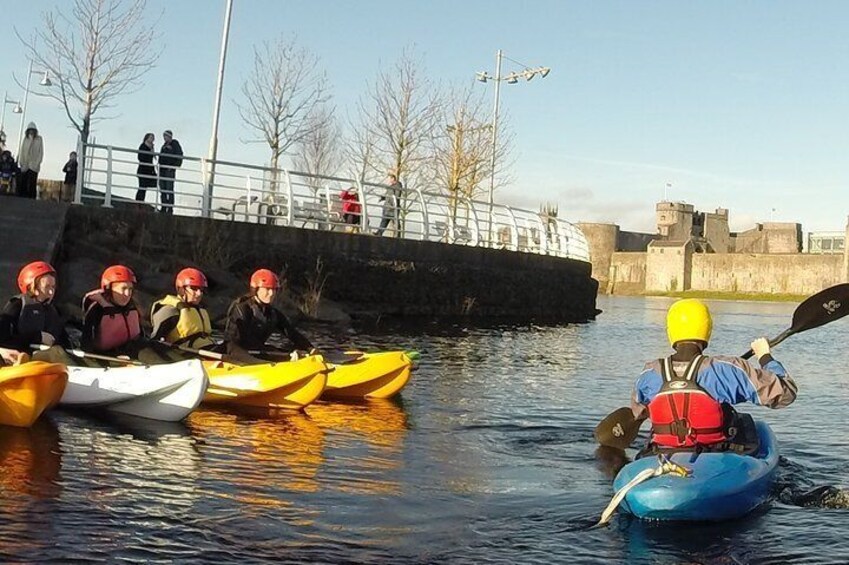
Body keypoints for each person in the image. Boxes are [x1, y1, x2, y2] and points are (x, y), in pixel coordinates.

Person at [631, 299, 797, 455]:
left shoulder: (648, 374)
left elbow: (638, 413)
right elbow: (785, 393)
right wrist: (764, 356)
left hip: (663, 452)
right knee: (747, 423)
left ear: (671, 331)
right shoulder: (727, 369)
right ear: (707, 329)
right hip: (715, 454)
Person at [82, 265, 182, 365]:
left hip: (132, 349)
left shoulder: (132, 306)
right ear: (109, 288)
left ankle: (181, 364)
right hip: (107, 356)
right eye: (123, 288)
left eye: (130, 289)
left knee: (153, 346)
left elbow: (140, 334)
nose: (128, 293)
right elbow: (87, 344)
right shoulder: (97, 309)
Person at [223, 268, 314, 364]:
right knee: (277, 356)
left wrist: (310, 349)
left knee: (288, 354)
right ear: (255, 289)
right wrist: (281, 355)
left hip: (256, 350)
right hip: (234, 351)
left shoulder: (272, 313)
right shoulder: (241, 308)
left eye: (274, 290)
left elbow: (292, 333)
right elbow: (244, 339)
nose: (271, 294)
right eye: (267, 289)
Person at [0, 261, 68, 353]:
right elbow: (4, 340)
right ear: (32, 287)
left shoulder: (52, 311)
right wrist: (37, 337)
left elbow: (64, 342)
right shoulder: (17, 305)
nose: (51, 292)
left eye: (53, 287)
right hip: (20, 359)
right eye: (46, 287)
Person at [150, 267, 214, 350]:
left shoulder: (201, 310)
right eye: (194, 288)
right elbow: (154, 341)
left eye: (201, 290)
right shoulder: (170, 310)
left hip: (208, 350)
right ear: (181, 289)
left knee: (230, 346)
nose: (199, 293)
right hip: (185, 354)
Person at [158, 130, 183, 214]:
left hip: (169, 170)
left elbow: (179, 155)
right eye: (164, 136)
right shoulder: (163, 146)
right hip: (162, 169)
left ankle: (170, 208)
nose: (165, 138)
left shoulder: (175, 144)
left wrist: (173, 166)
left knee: (169, 188)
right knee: (163, 189)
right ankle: (164, 206)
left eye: (166, 136)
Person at [18, 122, 43, 199]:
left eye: (32, 130)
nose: (31, 131)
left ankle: (31, 198)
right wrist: (21, 162)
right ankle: (22, 196)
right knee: (23, 181)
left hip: (34, 164)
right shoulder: (25, 139)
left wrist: (37, 163)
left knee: (32, 182)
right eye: (30, 130)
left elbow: (41, 152)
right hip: (25, 163)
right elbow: (22, 150)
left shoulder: (39, 139)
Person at [374, 172, 402, 236]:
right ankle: (379, 233)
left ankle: (398, 235)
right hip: (387, 207)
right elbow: (388, 195)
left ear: (393, 178)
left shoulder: (398, 185)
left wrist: (393, 204)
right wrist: (382, 198)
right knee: (384, 221)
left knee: (395, 222)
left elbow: (396, 196)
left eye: (389, 179)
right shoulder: (390, 187)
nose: (388, 180)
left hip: (392, 207)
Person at [136, 132, 157, 203]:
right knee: (142, 187)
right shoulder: (143, 146)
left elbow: (151, 160)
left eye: (153, 138)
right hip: (143, 169)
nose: (152, 139)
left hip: (149, 170)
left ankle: (140, 203)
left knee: (144, 187)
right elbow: (140, 157)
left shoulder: (151, 148)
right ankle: (139, 203)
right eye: (151, 137)